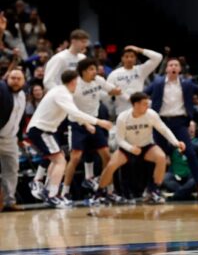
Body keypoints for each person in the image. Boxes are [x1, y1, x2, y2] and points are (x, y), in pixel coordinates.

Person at [26, 70, 113, 207]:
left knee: (58, 158)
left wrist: (87, 124)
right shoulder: (62, 94)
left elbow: (73, 114)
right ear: (73, 82)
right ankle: (51, 194)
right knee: (60, 161)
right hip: (41, 130)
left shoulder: (60, 91)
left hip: (43, 130)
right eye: (78, 82)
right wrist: (99, 122)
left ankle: (48, 190)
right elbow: (75, 112)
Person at [93, 92, 185, 205]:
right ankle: (99, 194)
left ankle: (153, 191)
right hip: (127, 148)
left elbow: (164, 129)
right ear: (135, 104)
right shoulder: (123, 117)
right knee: (111, 165)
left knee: (161, 157)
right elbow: (119, 140)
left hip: (146, 146)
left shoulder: (151, 114)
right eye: (144, 104)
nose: (147, 106)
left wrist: (176, 142)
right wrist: (131, 148)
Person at [145, 58, 198, 199]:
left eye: (176, 65)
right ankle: (151, 189)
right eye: (170, 65)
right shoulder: (157, 83)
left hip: (179, 122)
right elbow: (143, 93)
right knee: (157, 155)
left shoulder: (187, 83)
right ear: (166, 69)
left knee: (190, 153)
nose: (173, 67)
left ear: (180, 69)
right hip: (161, 122)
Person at [62, 58, 122, 200]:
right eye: (91, 69)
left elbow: (113, 91)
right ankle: (64, 192)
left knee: (107, 156)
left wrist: (119, 89)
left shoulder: (98, 80)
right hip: (78, 123)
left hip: (95, 122)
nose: (95, 71)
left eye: (95, 68)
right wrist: (86, 124)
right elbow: (72, 110)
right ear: (83, 72)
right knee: (75, 158)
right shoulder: (76, 85)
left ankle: (109, 191)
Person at [106, 45, 163, 116]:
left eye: (132, 56)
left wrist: (139, 49)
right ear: (122, 58)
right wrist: (112, 92)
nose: (129, 59)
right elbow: (107, 91)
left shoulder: (141, 70)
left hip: (140, 110)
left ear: (135, 58)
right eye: (126, 57)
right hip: (122, 111)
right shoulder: (114, 74)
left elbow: (158, 57)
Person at [0, 69, 26, 211]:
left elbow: (20, 118)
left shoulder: (22, 95)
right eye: (13, 78)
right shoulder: (2, 90)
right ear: (7, 79)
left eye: (19, 78)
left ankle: (9, 201)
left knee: (12, 170)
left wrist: (20, 138)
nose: (15, 81)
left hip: (11, 139)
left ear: (24, 81)